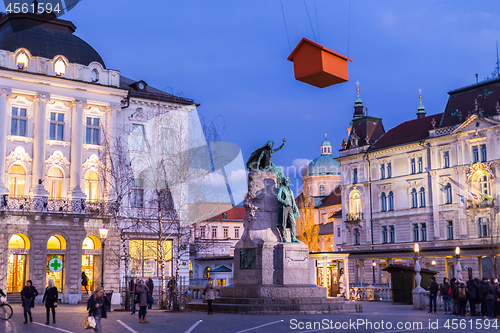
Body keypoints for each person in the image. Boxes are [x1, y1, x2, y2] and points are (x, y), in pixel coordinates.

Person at [276, 177, 300, 243]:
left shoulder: (290, 190)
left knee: (293, 222)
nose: (287, 182)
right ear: (283, 181)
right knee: (284, 222)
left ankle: (293, 237)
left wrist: (296, 207)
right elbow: (278, 198)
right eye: (285, 181)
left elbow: (293, 200)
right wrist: (285, 202)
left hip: (290, 207)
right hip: (284, 207)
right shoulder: (281, 189)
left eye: (288, 181)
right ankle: (284, 237)